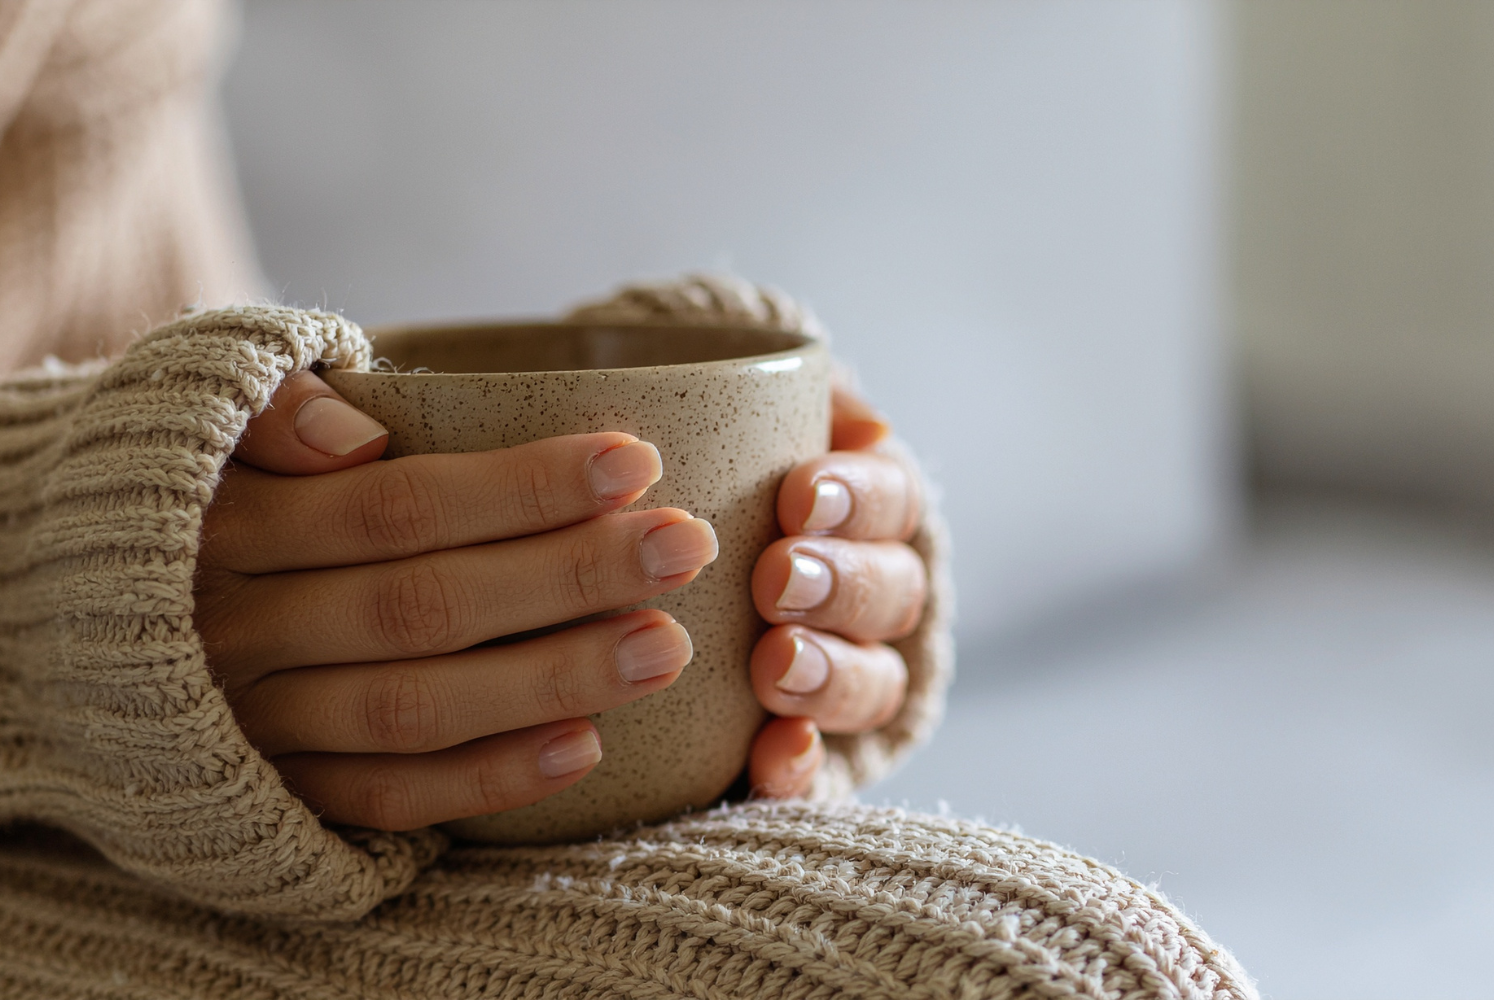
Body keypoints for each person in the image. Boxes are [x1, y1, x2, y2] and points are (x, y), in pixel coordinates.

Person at [0, 2, 1257, 997]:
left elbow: (164, 339)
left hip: (158, 823)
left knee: (1075, 976)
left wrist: (772, 538)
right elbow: (99, 535)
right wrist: (59, 594)